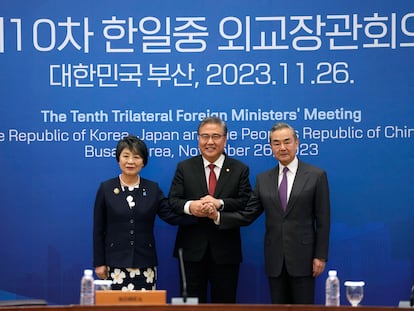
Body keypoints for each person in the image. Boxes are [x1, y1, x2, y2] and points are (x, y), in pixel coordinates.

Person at [217, 122, 331, 304]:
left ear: (297, 143)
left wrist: (320, 256)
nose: (282, 147)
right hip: (275, 260)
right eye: (276, 143)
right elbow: (248, 214)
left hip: (304, 258)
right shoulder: (263, 179)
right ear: (271, 147)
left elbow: (323, 220)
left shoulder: (316, 175)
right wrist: (218, 217)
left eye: (287, 142)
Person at [168, 116, 252, 303]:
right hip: (191, 250)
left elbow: (246, 202)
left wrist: (219, 204)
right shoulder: (185, 167)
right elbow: (173, 201)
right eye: (205, 136)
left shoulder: (239, 169)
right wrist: (191, 207)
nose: (210, 142)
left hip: (226, 251)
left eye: (216, 136)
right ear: (198, 138)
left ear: (225, 139)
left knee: (225, 305)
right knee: (190, 304)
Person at [93, 134, 193, 291]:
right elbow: (98, 229)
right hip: (114, 264)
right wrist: (99, 263)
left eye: (136, 157)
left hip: (145, 263)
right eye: (126, 156)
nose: (131, 161)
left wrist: (200, 215)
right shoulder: (106, 188)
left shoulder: (152, 189)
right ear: (118, 159)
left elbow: (170, 216)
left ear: (143, 162)